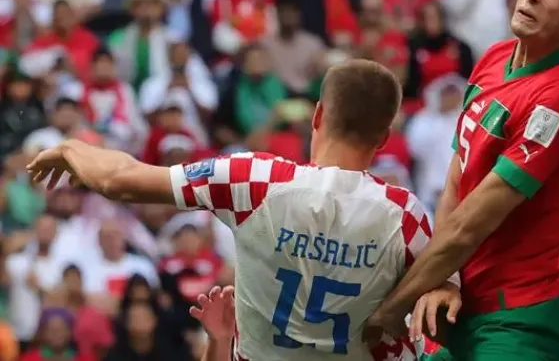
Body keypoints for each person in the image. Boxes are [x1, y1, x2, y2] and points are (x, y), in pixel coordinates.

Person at [27, 60, 448, 361]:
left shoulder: (254, 179)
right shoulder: (405, 216)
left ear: (317, 115)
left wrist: (70, 146)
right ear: (384, 138)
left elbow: (120, 179)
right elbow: (444, 292)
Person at [366, 0, 559, 360]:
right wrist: (446, 279)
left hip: (525, 316)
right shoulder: (494, 57)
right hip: (462, 304)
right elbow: (458, 178)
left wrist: (387, 313)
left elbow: (472, 223)